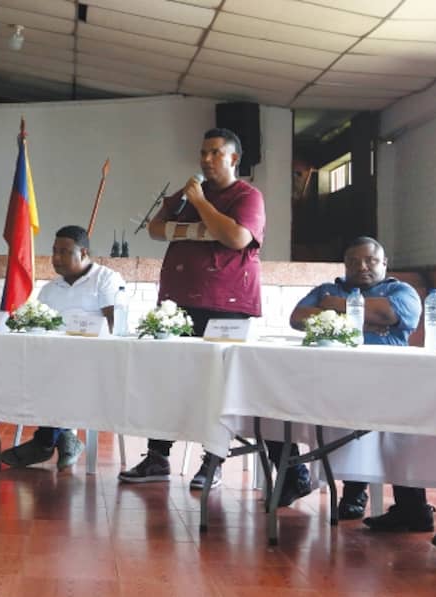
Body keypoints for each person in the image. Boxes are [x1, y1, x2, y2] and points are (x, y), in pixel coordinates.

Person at [117, 128, 303, 499]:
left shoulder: (248, 196)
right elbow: (156, 229)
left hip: (226, 305)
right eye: (203, 152)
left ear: (234, 159)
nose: (205, 159)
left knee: (219, 386)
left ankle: (212, 461)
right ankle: (157, 456)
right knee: (168, 380)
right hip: (177, 303)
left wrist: (201, 206)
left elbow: (236, 238)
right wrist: (202, 229)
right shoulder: (186, 194)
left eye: (215, 153)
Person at [289, 236, 431, 532]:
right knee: (279, 399)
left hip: (389, 383)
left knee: (398, 426)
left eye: (370, 261)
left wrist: (333, 307)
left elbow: (390, 314)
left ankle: (406, 506)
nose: (361, 267)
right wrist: (364, 317)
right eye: (353, 262)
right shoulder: (326, 288)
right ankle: (294, 477)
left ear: (384, 263)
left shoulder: (400, 290)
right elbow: (298, 318)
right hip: (330, 381)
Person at [0, 225, 123, 471]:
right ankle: (65, 436)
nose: (56, 258)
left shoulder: (106, 279)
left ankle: (45, 442)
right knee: (28, 371)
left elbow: (115, 326)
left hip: (94, 362)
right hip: (54, 361)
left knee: (58, 376)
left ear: (84, 253)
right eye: (54, 251)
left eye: (64, 252)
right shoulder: (50, 290)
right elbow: (38, 324)